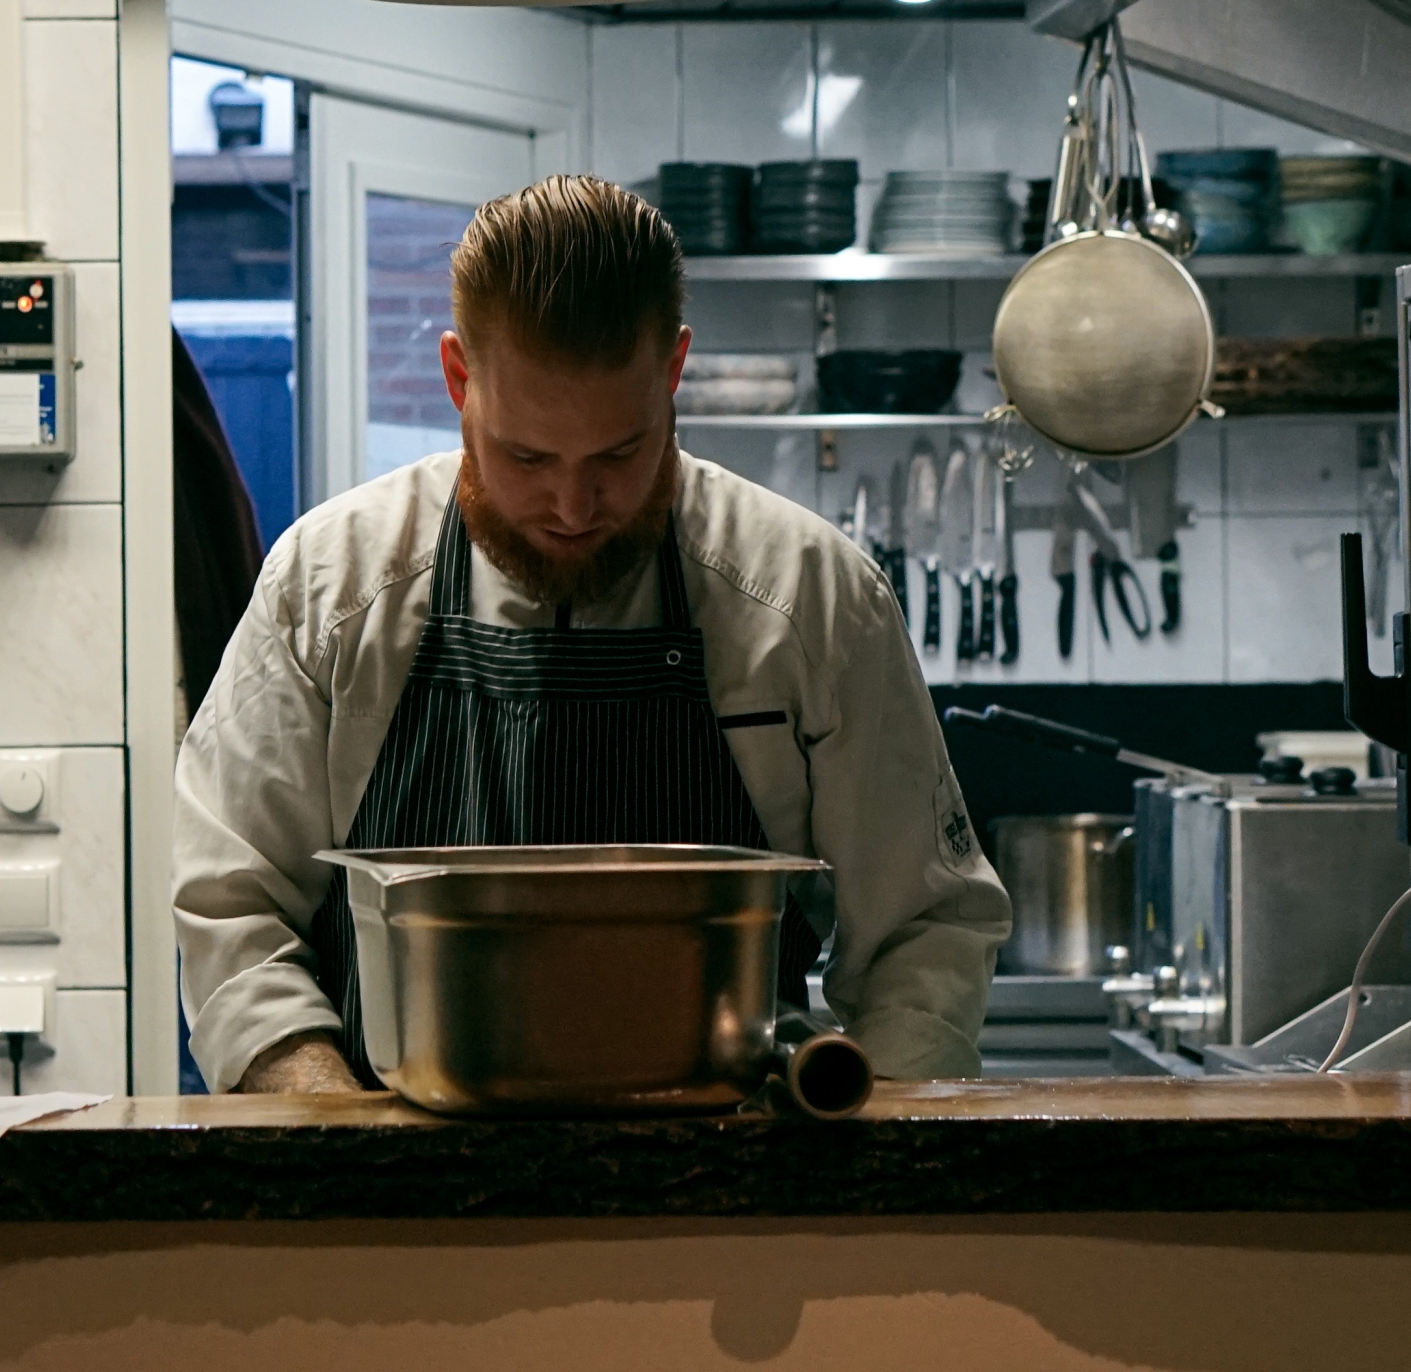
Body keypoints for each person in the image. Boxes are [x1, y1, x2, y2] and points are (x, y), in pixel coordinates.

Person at [173, 173, 1009, 1094]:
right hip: (398, 1198)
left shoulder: (809, 600)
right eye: (526, 455)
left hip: (731, 1202)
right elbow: (232, 909)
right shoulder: (331, 588)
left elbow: (925, 929)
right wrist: (339, 1143)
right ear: (460, 378)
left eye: (620, 452)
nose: (574, 506)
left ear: (675, 370)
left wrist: (856, 1174)